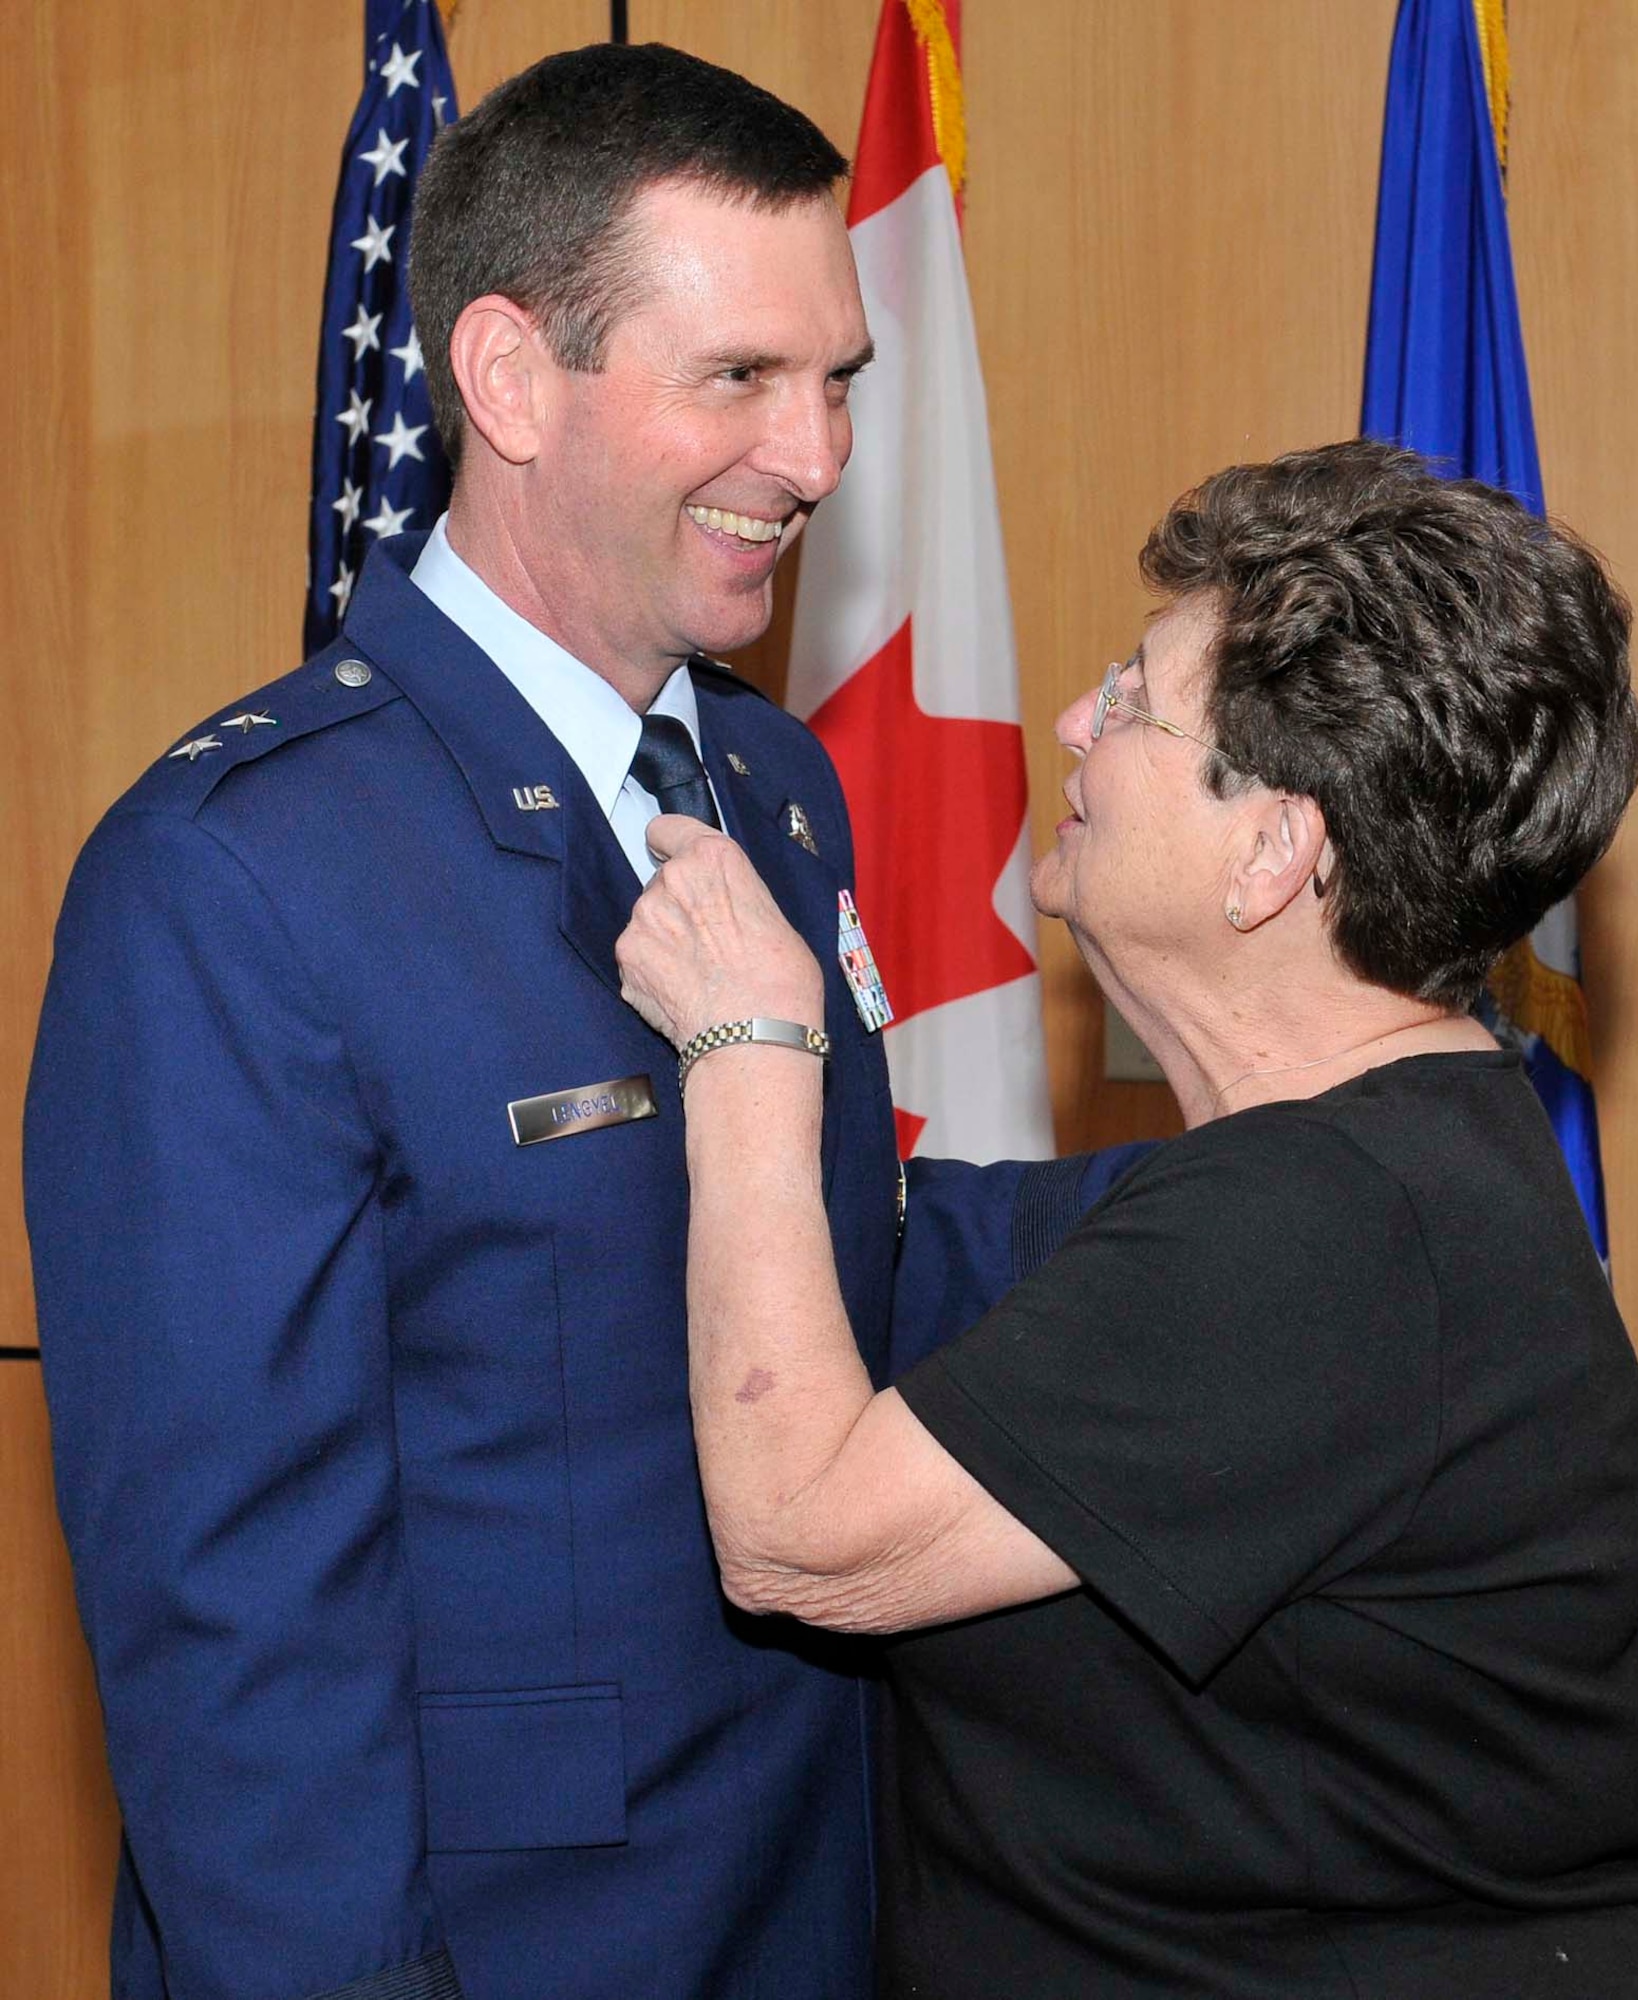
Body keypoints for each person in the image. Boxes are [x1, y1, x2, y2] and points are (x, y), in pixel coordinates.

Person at [24, 43, 1132, 2000]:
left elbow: (844, 1259)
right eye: (738, 380)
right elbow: (238, 1630)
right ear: (510, 379)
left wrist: (1316, 1185)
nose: (814, 458)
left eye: (837, 384)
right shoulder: (237, 875)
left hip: (830, 1896)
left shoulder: (775, 787)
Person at [617, 438, 1638, 1999]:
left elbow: (803, 1541)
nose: (1075, 723)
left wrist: (745, 1043)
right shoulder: (1365, 1170)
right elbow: (908, 1238)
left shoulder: (1335, 1226)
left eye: (1133, 699)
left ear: (1272, 852)